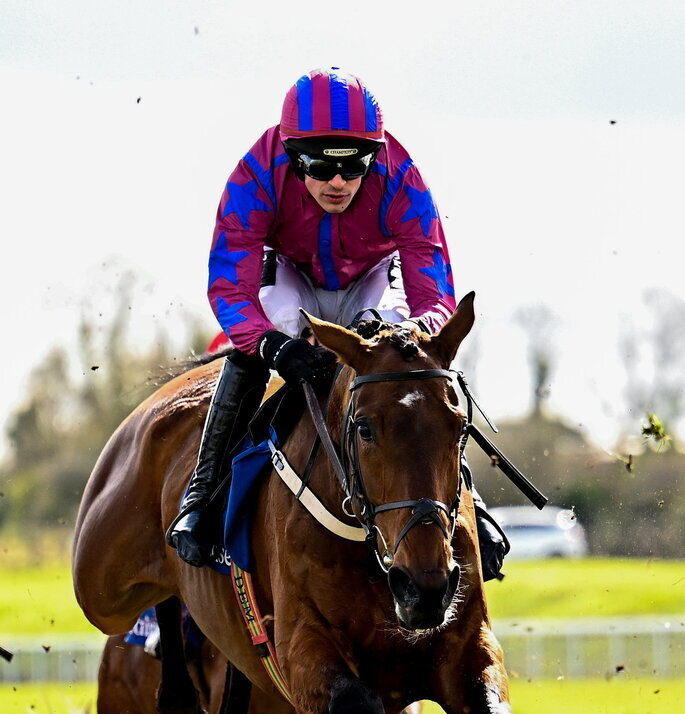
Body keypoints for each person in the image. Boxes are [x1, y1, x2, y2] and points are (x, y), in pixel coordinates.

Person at [167, 67, 506, 578]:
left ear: (376, 156)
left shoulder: (402, 178)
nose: (340, 183)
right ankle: (203, 493)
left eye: (355, 168)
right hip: (290, 276)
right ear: (291, 154)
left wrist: (414, 337)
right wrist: (271, 347)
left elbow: (435, 294)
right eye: (322, 168)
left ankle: (471, 503)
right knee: (253, 348)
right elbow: (230, 287)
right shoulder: (255, 173)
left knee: (422, 370)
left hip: (371, 280)